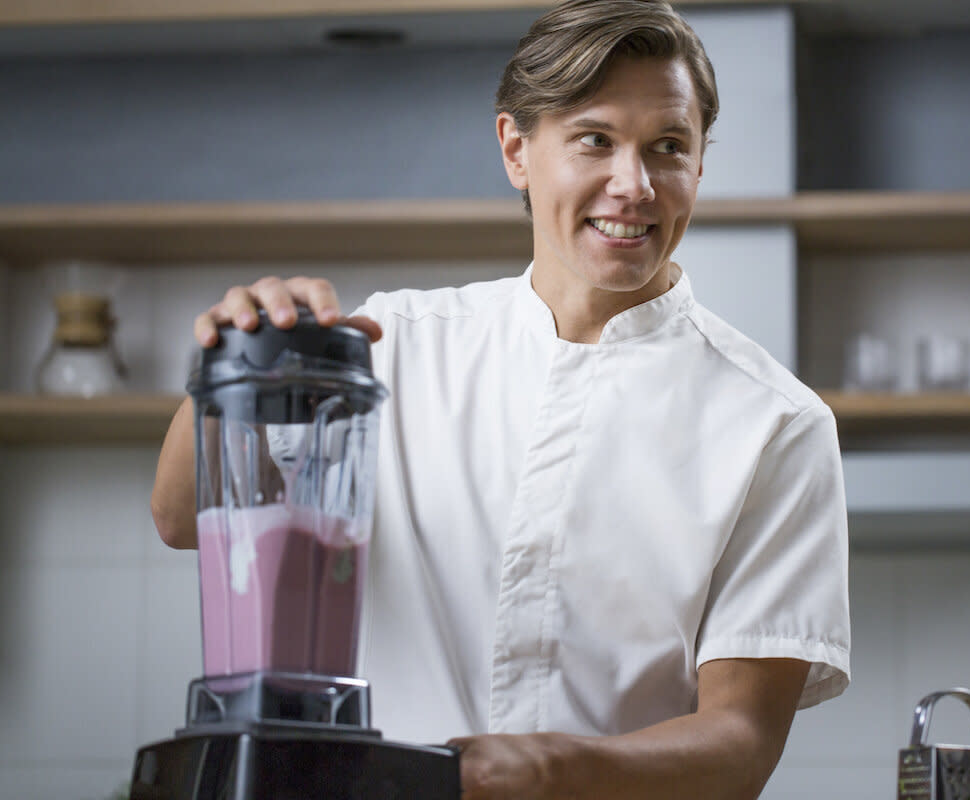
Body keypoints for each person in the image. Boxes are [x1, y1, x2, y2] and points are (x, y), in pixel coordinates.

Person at [151, 1, 851, 797]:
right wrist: (233, 362)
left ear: (699, 163)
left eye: (669, 147)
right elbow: (181, 517)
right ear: (517, 149)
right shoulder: (394, 344)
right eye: (595, 139)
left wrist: (545, 767)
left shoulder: (775, 422)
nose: (635, 184)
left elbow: (740, 743)